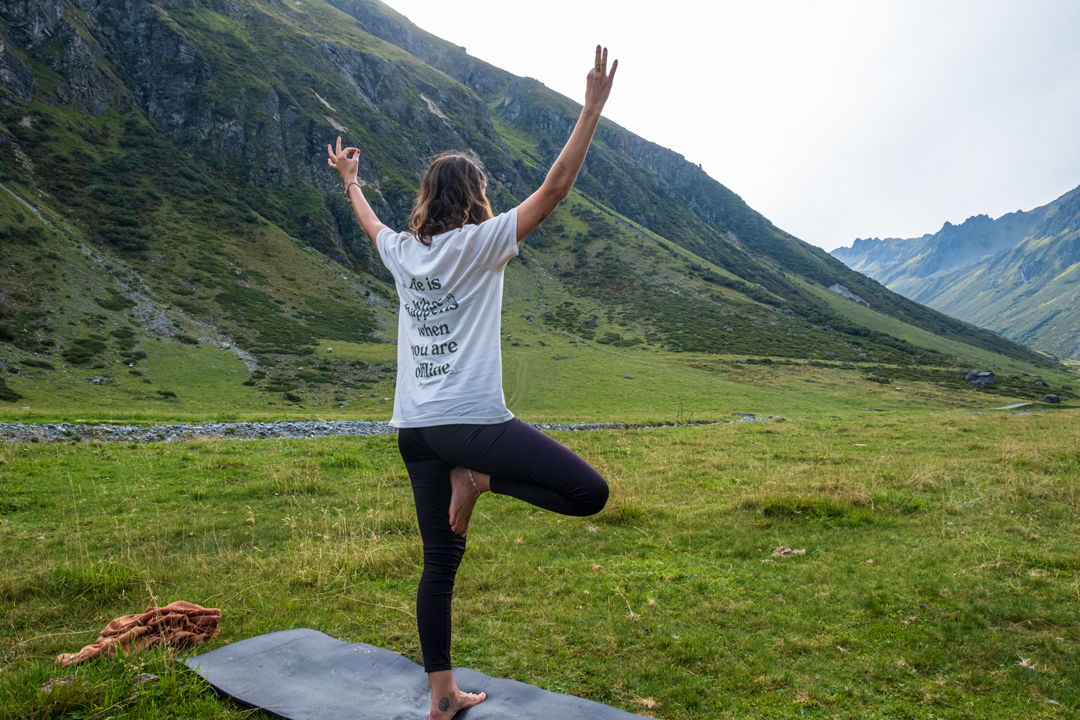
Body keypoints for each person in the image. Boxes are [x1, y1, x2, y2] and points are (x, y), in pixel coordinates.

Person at [328, 46, 618, 720]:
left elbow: (371, 224)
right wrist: (592, 110)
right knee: (588, 494)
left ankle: (442, 697)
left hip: (416, 431)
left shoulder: (405, 253)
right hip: (470, 424)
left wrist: (350, 179)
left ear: (428, 199)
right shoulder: (483, 242)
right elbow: (553, 190)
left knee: (440, 564)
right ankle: (481, 479)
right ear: (477, 198)